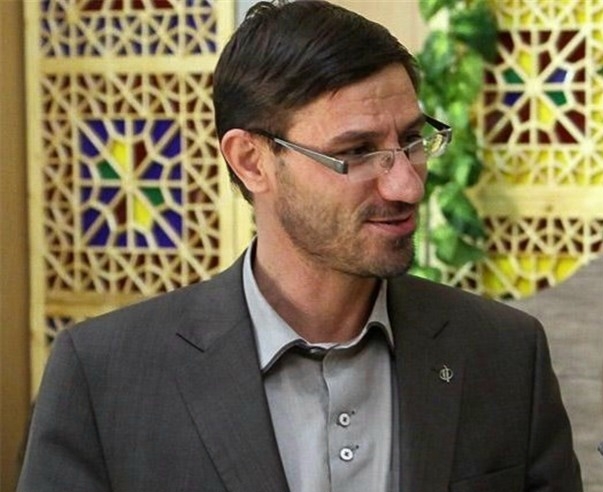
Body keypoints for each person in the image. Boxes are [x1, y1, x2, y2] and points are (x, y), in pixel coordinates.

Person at [18, 1, 582, 491]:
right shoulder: (105, 377)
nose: (406, 185)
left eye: (412, 141)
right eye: (357, 151)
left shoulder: (504, 355)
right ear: (251, 161)